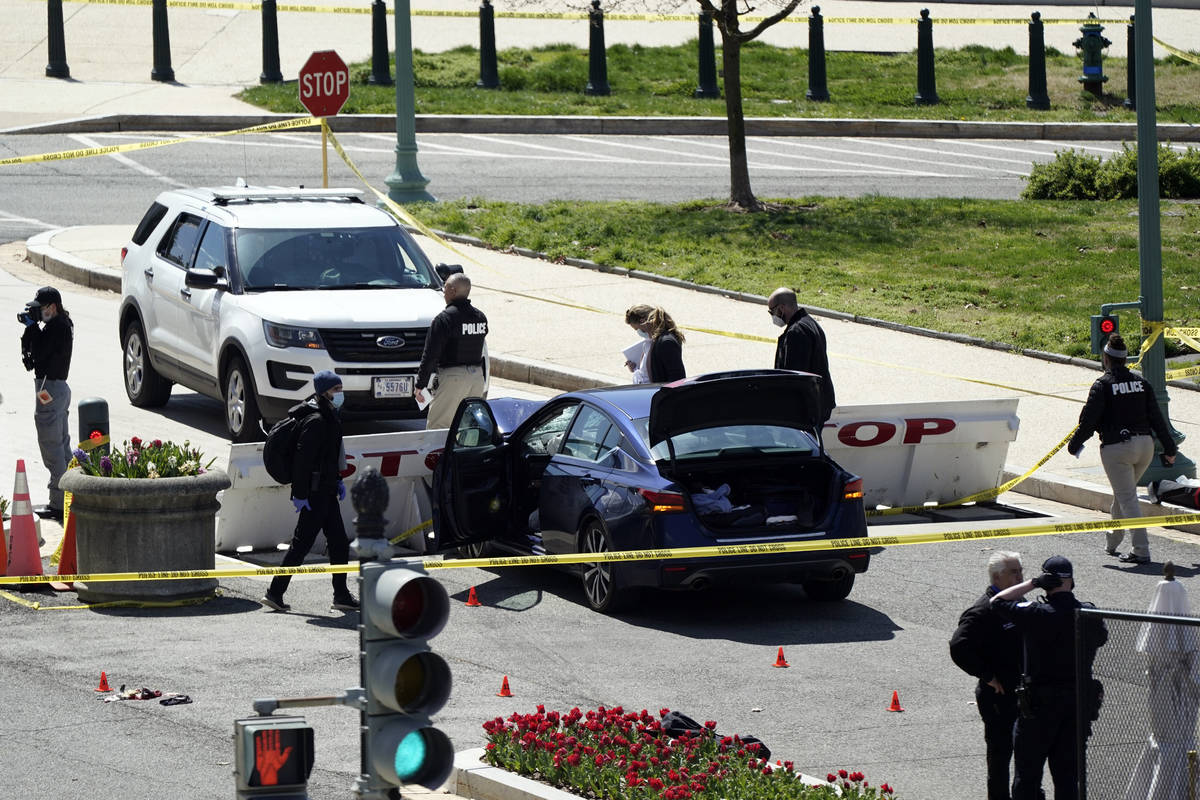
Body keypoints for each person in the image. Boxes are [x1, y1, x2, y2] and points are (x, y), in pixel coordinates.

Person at [991, 555, 1109, 800]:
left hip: (1039, 710)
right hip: (1076, 707)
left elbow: (997, 600)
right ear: (1072, 581)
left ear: (1047, 582)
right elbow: (1102, 639)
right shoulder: (1088, 614)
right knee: (1068, 778)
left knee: (1028, 777)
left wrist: (1033, 582)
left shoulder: (1036, 613)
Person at [1067, 333, 1177, 564]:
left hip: (1117, 449)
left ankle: (1141, 550)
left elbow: (1088, 421)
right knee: (1122, 494)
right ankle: (1113, 540)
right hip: (1145, 446)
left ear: (1106, 359)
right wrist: (1169, 448)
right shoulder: (1142, 383)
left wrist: (1075, 444)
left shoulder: (1102, 385)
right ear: (1125, 360)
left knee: (1127, 498)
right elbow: (1157, 419)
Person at [261, 370, 357, 613]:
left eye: (340, 389)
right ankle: (274, 592)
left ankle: (342, 595)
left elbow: (327, 458)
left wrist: (336, 481)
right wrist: (300, 494)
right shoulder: (317, 421)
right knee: (301, 545)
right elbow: (303, 462)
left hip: (325, 490)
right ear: (324, 392)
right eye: (336, 390)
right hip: (315, 494)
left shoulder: (329, 415)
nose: (340, 394)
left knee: (338, 543)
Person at [949, 551, 1025, 800]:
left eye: (1020, 570)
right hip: (998, 697)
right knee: (1001, 755)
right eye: (1013, 572)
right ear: (997, 577)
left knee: (1027, 753)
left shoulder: (1019, 603)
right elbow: (959, 645)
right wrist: (987, 676)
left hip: (1023, 692)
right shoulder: (984, 610)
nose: (1020, 576)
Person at [1124, 563, 1200, 800]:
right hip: (1179, 712)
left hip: (1165, 712)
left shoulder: (1154, 643)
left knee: (1167, 738)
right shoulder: (1191, 641)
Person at [19, 286, 74, 522]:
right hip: (57, 389)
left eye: (40, 310)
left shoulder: (56, 327)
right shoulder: (62, 324)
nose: (38, 314)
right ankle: (71, 495)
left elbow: (39, 354)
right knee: (62, 445)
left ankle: (58, 502)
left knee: (51, 446)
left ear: (52, 307)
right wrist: (33, 328)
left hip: (50, 389)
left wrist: (32, 328)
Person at [415, 273, 488, 430]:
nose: (443, 291)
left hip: (453, 378)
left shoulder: (444, 319)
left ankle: (438, 456)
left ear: (453, 291)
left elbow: (431, 354)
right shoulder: (480, 317)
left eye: (445, 287)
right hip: (476, 378)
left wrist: (420, 384)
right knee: (467, 428)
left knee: (438, 427)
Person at [768, 287, 835, 422]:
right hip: (818, 403)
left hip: (805, 409)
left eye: (772, 311)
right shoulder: (810, 323)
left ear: (781, 308)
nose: (772, 316)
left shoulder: (796, 332)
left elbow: (794, 375)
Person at [625, 305, 685, 383]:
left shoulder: (666, 342)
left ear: (643, 321)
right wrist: (636, 368)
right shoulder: (650, 342)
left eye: (638, 329)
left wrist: (662, 394)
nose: (639, 332)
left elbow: (677, 378)